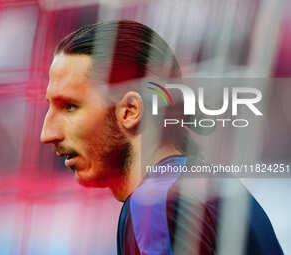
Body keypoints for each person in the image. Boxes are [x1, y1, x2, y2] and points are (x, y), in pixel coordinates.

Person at [40, 20, 283, 255]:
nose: (47, 134)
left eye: (70, 106)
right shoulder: (217, 185)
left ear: (130, 111)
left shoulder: (154, 203)